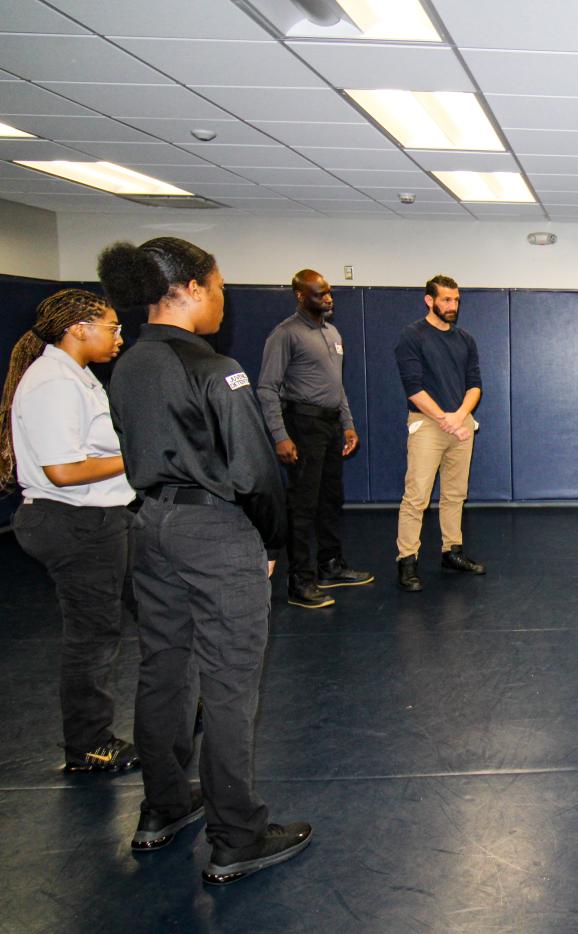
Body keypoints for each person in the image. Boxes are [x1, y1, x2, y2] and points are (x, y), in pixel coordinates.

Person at [99, 236, 311, 885]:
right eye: (218, 286)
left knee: (164, 666)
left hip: (151, 523)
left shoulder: (129, 363)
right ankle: (237, 835)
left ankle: (163, 806)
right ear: (190, 288)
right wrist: (270, 543)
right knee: (227, 681)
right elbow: (255, 472)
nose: (222, 300)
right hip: (213, 532)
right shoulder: (213, 368)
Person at [1, 289, 139, 774]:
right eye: (112, 327)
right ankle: (87, 743)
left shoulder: (78, 377)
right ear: (78, 328)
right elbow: (63, 470)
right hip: (74, 522)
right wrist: (137, 456)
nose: (119, 337)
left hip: (106, 517)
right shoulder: (52, 383)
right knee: (93, 636)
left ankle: (176, 704)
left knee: (158, 604)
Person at [257, 268, 372, 609]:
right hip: (302, 424)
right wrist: (280, 435)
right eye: (321, 293)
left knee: (329, 500)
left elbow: (336, 386)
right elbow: (267, 389)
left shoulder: (333, 333)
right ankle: (300, 582)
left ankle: (330, 565)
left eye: (329, 292)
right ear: (300, 295)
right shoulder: (285, 334)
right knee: (303, 506)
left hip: (330, 424)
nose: (328, 298)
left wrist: (347, 424)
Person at [393, 274, 484, 591]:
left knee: (455, 494)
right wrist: (444, 419)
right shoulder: (412, 336)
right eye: (446, 299)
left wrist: (459, 415)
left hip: (460, 423)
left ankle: (452, 550)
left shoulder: (465, 340)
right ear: (429, 300)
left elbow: (475, 385)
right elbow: (413, 388)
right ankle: (407, 560)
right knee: (416, 496)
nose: (452, 305)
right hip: (428, 424)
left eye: (456, 299)